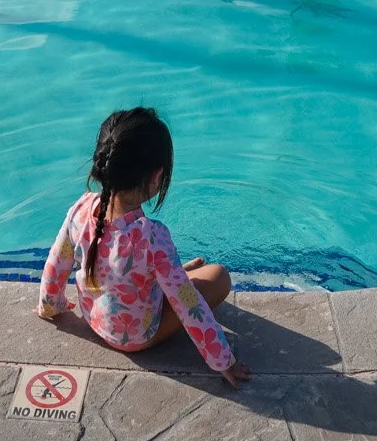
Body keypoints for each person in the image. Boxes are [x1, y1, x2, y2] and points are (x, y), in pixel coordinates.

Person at [37, 107, 251, 388]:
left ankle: (167, 277)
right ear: (156, 176)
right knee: (218, 276)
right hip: (136, 337)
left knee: (170, 277)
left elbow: (57, 263)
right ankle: (170, 278)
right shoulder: (152, 237)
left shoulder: (81, 208)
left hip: (92, 317)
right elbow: (189, 305)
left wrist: (50, 306)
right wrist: (224, 360)